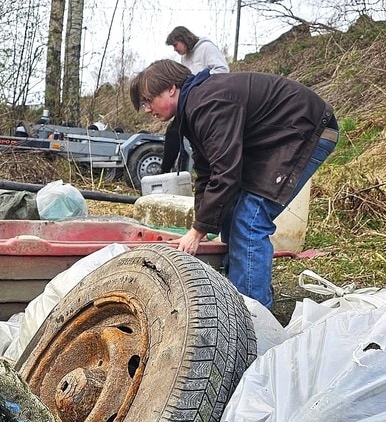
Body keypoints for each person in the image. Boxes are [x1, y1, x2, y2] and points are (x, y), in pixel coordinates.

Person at [130, 59, 339, 308]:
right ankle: (238, 292)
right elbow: (207, 173)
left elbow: (226, 172)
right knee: (230, 215)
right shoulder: (194, 107)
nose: (146, 109)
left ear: (171, 88)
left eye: (147, 100)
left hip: (304, 131)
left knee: (249, 220)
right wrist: (202, 226)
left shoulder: (208, 103)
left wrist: (197, 232)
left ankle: (253, 314)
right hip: (276, 139)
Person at [161, 27, 230, 172]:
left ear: (184, 39)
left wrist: (200, 80)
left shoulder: (206, 48)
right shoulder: (184, 58)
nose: (175, 49)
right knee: (175, 131)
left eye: (175, 45)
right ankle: (165, 171)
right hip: (190, 101)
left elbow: (222, 71)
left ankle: (216, 172)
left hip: (209, 100)